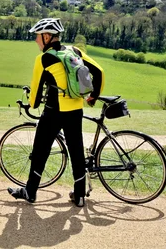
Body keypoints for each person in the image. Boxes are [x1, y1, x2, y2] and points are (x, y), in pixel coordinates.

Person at [8, 18, 105, 207]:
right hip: (76, 109)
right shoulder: (74, 51)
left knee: (40, 152)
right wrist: (93, 96)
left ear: (46, 37)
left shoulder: (44, 59)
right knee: (76, 151)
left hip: (54, 111)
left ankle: (30, 192)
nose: (36, 40)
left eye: (37, 36)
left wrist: (30, 104)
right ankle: (79, 196)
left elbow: (35, 98)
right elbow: (99, 72)